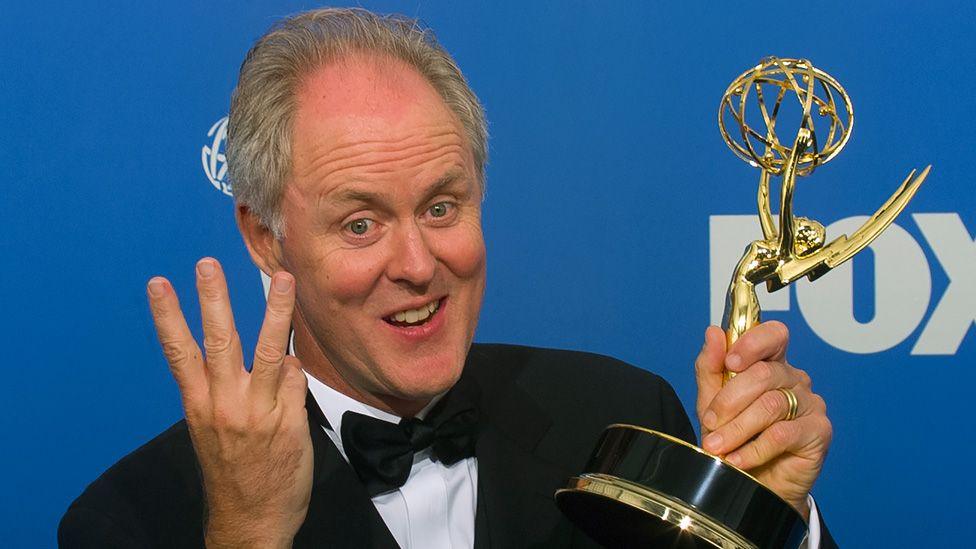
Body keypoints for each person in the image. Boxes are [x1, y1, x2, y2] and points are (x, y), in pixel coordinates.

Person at [59, 8, 835, 548]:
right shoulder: (129, 517)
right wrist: (250, 534)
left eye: (440, 205)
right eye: (360, 222)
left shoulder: (621, 418)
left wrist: (770, 517)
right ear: (267, 239)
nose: (417, 263)